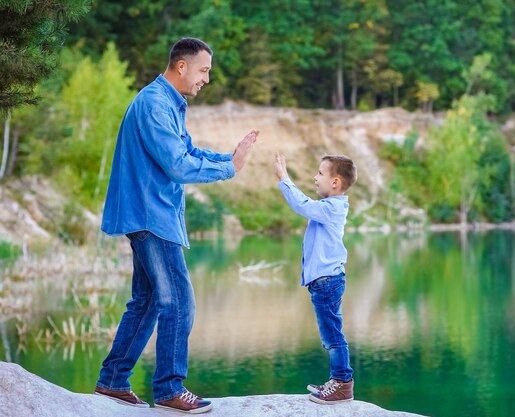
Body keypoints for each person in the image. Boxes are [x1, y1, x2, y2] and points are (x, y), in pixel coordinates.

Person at [94, 37, 259, 414]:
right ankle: (168, 389)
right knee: (179, 301)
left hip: (151, 214)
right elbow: (177, 165)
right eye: (203, 71)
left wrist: (228, 158)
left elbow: (185, 151)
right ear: (181, 66)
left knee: (148, 300)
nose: (206, 79)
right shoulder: (155, 104)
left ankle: (113, 380)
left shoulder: (166, 102)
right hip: (152, 216)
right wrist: (229, 169)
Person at [273, 151, 357, 404]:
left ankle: (342, 383)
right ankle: (337, 380)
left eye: (320, 173)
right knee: (330, 335)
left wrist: (283, 178)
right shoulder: (329, 207)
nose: (315, 177)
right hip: (325, 283)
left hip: (328, 282)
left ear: (335, 182)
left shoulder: (332, 208)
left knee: (333, 336)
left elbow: (302, 205)